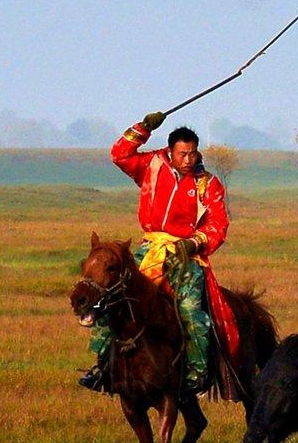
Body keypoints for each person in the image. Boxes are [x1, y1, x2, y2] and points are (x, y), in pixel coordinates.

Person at [81, 112, 230, 393]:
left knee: (188, 309)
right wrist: (144, 127)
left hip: (187, 255)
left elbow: (219, 224)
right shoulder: (151, 165)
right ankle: (103, 365)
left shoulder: (207, 184)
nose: (189, 160)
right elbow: (119, 154)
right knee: (110, 296)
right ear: (170, 151)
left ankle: (196, 373)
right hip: (150, 248)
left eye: (194, 154)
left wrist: (193, 242)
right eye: (183, 154)